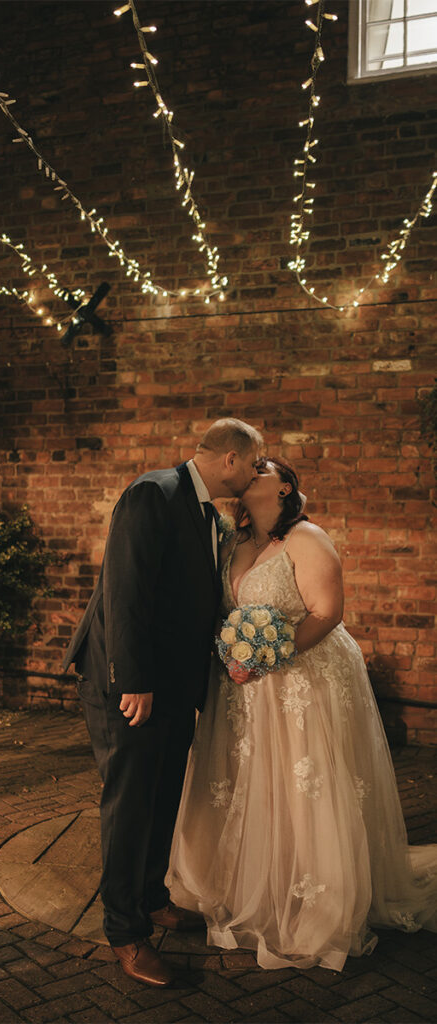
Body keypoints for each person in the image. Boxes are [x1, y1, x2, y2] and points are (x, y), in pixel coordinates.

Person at [168, 456, 437, 972]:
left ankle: (314, 900)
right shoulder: (233, 542)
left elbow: (327, 612)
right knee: (248, 781)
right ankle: (250, 883)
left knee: (301, 783)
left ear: (285, 486)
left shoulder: (307, 538)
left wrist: (268, 655)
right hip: (242, 688)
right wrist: (235, 658)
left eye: (262, 467)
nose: (250, 470)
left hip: (299, 679)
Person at [62, 418, 263, 986]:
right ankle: (125, 932)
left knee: (164, 793)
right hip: (129, 685)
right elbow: (126, 592)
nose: (254, 474)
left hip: (174, 685)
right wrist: (135, 681)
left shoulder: (208, 515)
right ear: (230, 459)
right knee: (130, 806)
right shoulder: (155, 493)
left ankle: (152, 898)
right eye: (253, 463)